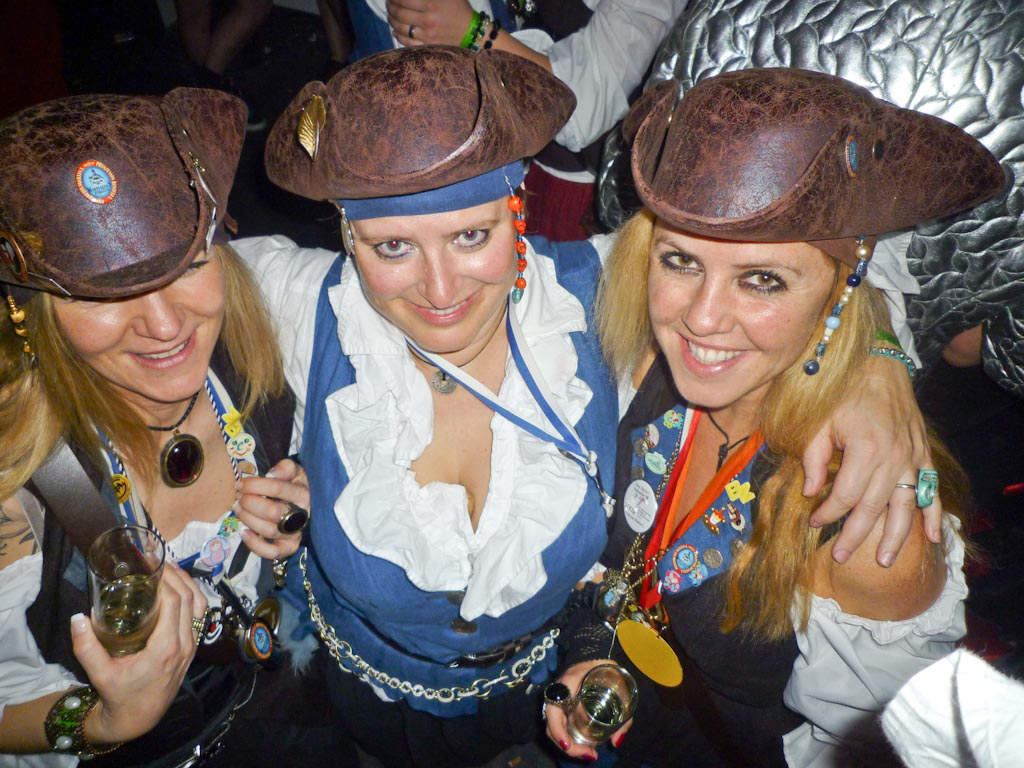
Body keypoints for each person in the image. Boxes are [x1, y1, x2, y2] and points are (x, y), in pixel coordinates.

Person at [234, 45, 949, 766]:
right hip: (372, 693)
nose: (441, 290)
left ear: (517, 210)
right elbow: (185, 285)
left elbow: (838, 246)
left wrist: (877, 362)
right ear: (348, 239)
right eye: (392, 247)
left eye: (472, 235)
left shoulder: (591, 303)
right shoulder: (311, 307)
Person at [543, 67, 1005, 766]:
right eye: (681, 260)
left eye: (762, 280)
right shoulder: (645, 356)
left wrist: (877, 352)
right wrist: (591, 649)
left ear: (844, 288)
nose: (701, 318)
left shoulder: (872, 525)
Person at [0, 89, 319, 766]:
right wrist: (101, 721)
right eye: (105, 293)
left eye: (187, 265)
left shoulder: (263, 350)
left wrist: (309, 508)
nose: (167, 325)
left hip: (291, 718)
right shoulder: (14, 471)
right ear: (32, 311)